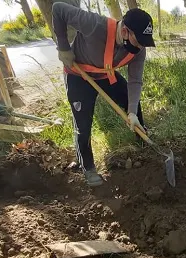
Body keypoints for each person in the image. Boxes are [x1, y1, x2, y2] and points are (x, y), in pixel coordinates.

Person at [52, 2, 156, 187]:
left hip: (105, 75)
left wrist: (131, 112)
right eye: (138, 41)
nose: (140, 46)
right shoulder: (94, 24)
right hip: (78, 76)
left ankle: (142, 138)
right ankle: (88, 167)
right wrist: (63, 47)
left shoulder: (138, 50)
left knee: (133, 103)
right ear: (125, 32)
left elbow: (135, 81)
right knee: (82, 126)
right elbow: (59, 9)